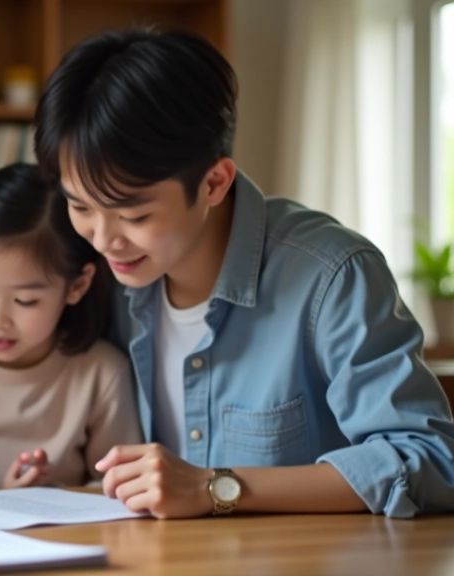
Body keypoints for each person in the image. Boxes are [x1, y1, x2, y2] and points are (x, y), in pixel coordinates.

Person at [34, 28, 454, 518]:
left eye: (134, 216)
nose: (104, 238)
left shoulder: (332, 276)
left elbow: (431, 461)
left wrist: (216, 488)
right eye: (79, 205)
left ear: (214, 182)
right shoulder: (99, 275)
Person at [0, 163, 142, 490]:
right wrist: (2, 498)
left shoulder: (102, 374)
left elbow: (114, 485)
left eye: (25, 301)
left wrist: (52, 494)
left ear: (77, 286)